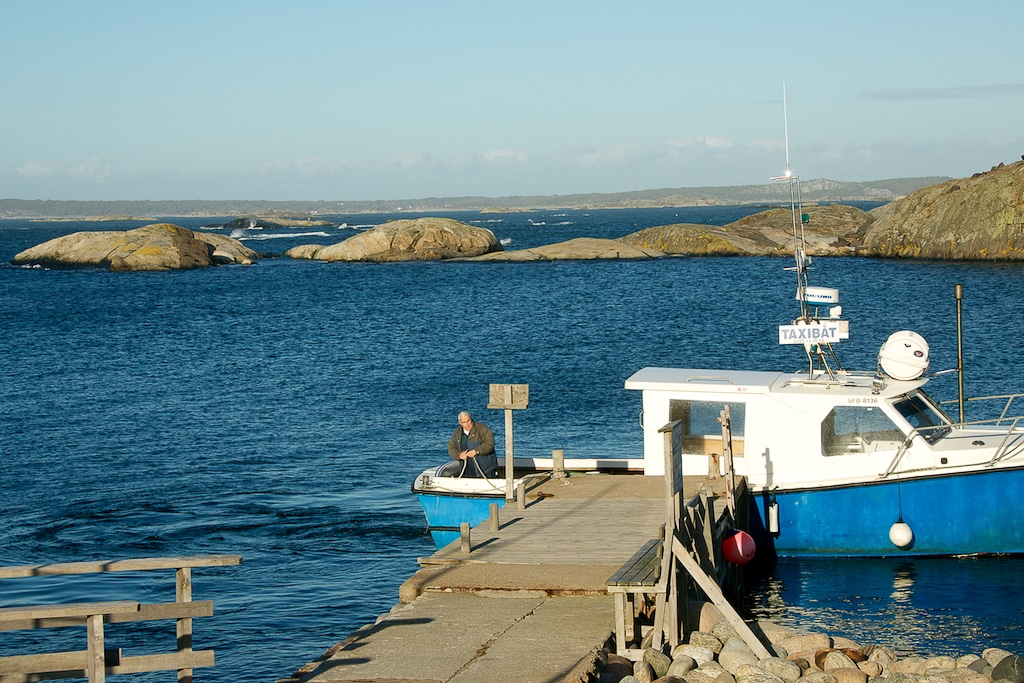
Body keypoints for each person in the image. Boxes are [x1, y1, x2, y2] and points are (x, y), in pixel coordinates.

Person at [446, 411, 497, 478]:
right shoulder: (457, 434)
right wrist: (459, 455)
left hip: (485, 468)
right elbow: (451, 448)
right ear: (460, 422)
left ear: (471, 419)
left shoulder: (482, 429)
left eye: (468, 421)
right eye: (464, 422)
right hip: (467, 469)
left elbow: (490, 443)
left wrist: (476, 451)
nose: (467, 424)